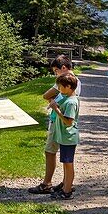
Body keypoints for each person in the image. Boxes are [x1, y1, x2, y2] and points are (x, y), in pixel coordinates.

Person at [28, 55, 82, 195]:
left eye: (56, 71)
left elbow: (47, 95)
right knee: (64, 158)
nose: (55, 75)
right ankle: (65, 183)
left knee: (53, 152)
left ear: (63, 68)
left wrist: (55, 107)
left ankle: (50, 184)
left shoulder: (66, 82)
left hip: (61, 125)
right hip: (59, 123)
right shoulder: (70, 83)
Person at [47, 73, 80, 199]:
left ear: (68, 87)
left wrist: (56, 109)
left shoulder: (71, 102)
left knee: (68, 163)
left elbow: (69, 121)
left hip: (69, 137)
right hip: (65, 137)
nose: (59, 89)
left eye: (61, 87)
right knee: (65, 162)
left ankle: (67, 191)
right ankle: (66, 186)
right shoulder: (68, 99)